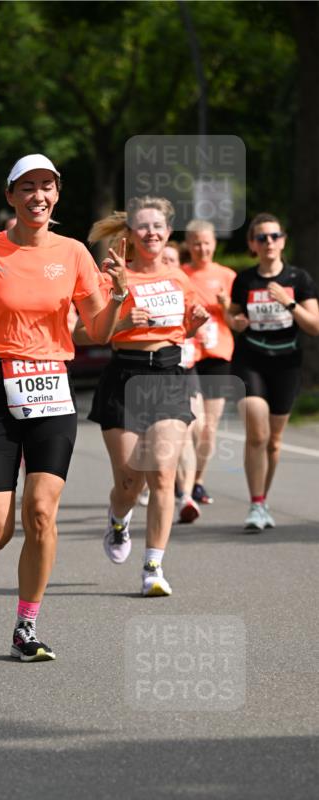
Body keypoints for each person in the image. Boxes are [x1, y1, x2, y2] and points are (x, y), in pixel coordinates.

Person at [0, 154, 117, 661]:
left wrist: (117, 298)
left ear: (57, 195)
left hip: (51, 386)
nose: (39, 195)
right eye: (28, 187)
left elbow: (98, 331)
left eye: (48, 187)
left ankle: (25, 627)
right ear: (11, 195)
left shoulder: (75, 253)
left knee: (40, 512)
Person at [85, 197, 209, 596]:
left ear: (168, 232)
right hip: (124, 376)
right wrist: (122, 317)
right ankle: (118, 521)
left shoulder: (179, 277)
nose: (151, 232)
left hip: (170, 377)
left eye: (158, 226)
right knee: (129, 481)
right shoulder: (114, 277)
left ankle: (153, 566)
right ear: (130, 234)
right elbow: (92, 332)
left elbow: (183, 329)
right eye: (143, 226)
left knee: (161, 475)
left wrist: (195, 322)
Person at [229, 213, 319, 531]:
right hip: (249, 361)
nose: (269, 242)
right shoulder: (245, 280)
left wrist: (288, 303)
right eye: (262, 238)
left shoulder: (299, 279)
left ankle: (262, 500)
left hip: (286, 364)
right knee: (257, 431)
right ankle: (255, 506)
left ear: (283, 241)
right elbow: (233, 318)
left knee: (274, 441)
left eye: (275, 236)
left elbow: (314, 326)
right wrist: (235, 322)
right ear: (252, 244)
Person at [181, 219, 238, 505]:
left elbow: (236, 321)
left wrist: (226, 305)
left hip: (217, 354)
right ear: (188, 245)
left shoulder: (227, 275)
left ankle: (198, 482)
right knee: (191, 422)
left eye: (206, 243)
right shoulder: (180, 274)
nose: (202, 248)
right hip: (188, 355)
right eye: (196, 243)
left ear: (214, 244)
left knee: (209, 427)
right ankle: (184, 481)